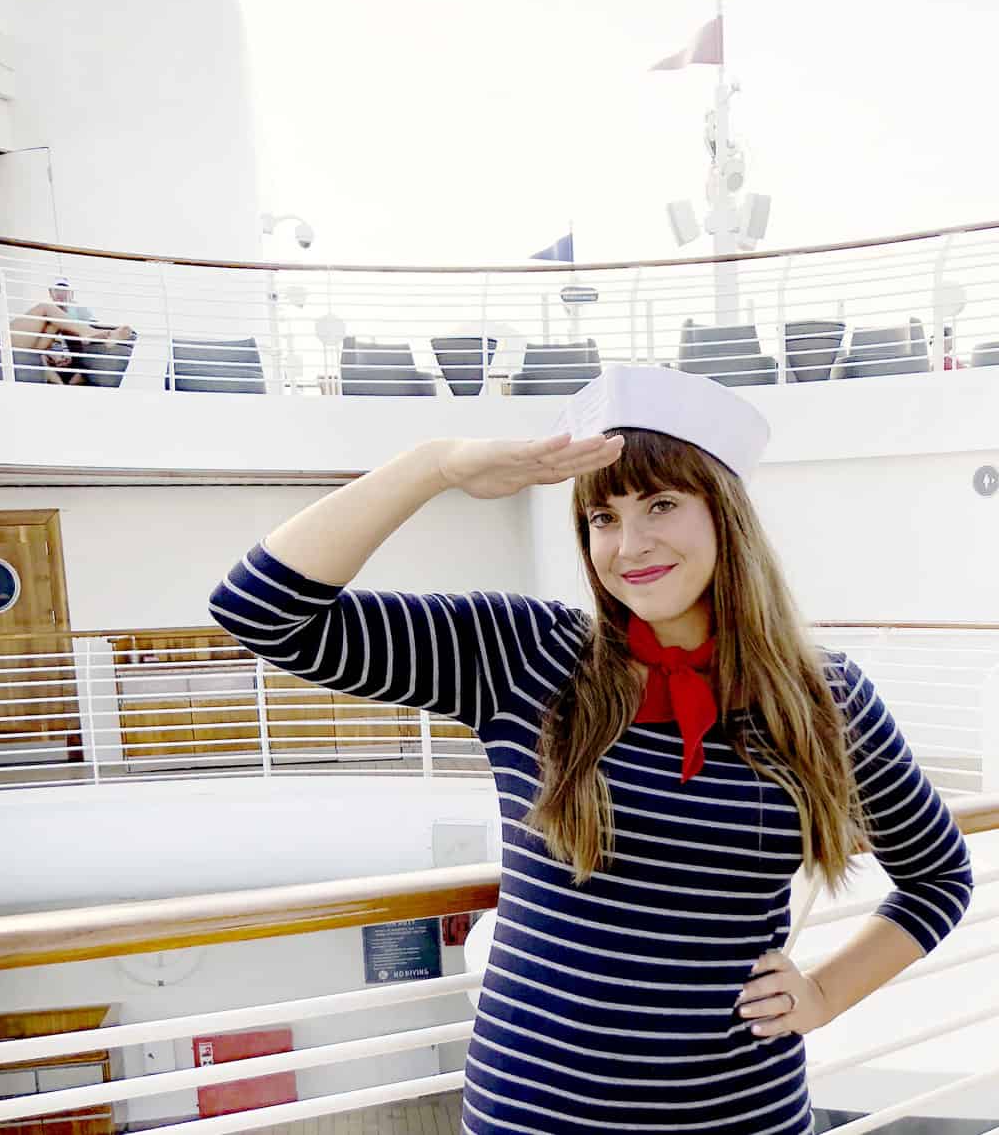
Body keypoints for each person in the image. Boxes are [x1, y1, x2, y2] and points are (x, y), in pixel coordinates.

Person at [209, 364, 973, 1135]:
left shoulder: (823, 697)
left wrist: (823, 993)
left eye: (661, 504)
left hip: (740, 1115)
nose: (628, 544)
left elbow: (938, 876)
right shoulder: (525, 656)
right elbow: (261, 608)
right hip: (534, 1114)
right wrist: (435, 464)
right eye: (601, 518)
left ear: (726, 516)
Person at [7, 278, 133, 383]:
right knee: (46, 308)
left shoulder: (77, 313)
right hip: (36, 351)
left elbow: (37, 349)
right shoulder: (45, 316)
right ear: (51, 293)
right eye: (57, 290)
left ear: (71, 294)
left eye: (64, 290)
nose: (61, 293)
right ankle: (88, 334)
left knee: (57, 324)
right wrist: (53, 356)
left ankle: (91, 337)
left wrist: (65, 357)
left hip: (62, 358)